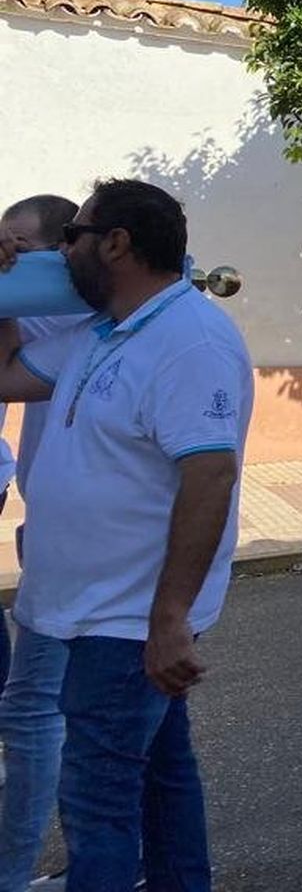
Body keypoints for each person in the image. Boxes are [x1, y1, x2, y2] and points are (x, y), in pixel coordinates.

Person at [0, 178, 254, 890]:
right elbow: (5, 376)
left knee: (98, 808)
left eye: (73, 238)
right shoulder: (101, 331)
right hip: (92, 609)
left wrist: (170, 619)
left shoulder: (189, 340)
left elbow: (211, 479)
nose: (61, 255)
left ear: (115, 244)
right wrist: (4, 292)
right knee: (162, 782)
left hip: (128, 617)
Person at [0, 193, 84, 892]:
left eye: (19, 247)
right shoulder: (40, 319)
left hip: (87, 552)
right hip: (49, 533)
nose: (8, 259)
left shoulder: (89, 317)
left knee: (32, 714)